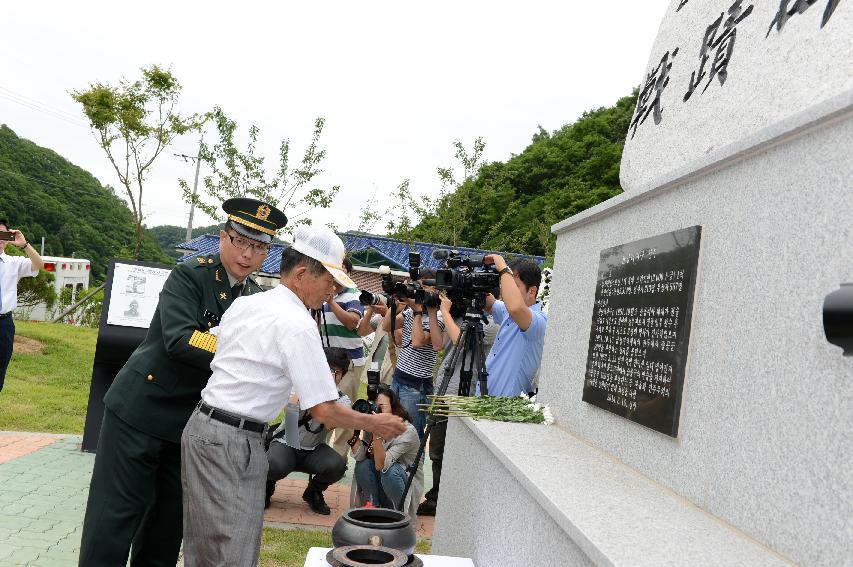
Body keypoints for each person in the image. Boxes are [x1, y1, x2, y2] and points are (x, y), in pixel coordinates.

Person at [180, 226, 406, 567]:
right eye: (329, 281)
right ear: (301, 273)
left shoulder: (249, 303)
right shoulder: (297, 324)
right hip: (233, 439)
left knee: (204, 546)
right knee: (233, 551)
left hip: (203, 429)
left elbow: (215, 347)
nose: (332, 290)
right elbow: (324, 409)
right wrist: (374, 422)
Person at [78, 198, 286, 567]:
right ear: (224, 237)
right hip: (141, 410)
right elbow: (180, 339)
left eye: (259, 246)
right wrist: (237, 355)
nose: (248, 254)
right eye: (241, 241)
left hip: (192, 425)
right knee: (114, 519)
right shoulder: (191, 274)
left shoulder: (257, 299)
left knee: (167, 527)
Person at [417, 293, 499, 516]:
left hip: (466, 395)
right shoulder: (460, 318)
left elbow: (461, 341)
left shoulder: (491, 324)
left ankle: (454, 498)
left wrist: (445, 311)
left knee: (456, 453)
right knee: (437, 450)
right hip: (444, 390)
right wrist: (434, 312)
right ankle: (435, 498)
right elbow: (440, 344)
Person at [264, 347, 351, 515]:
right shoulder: (297, 386)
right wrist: (305, 391)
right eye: (327, 370)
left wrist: (327, 396)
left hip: (314, 450)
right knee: (274, 465)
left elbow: (330, 425)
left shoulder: (343, 400)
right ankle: (268, 484)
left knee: (337, 466)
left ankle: (313, 492)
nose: (331, 376)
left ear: (342, 375)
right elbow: (289, 423)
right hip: (287, 443)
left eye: (336, 372)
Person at [382, 275, 445, 439]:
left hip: (416, 387)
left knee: (411, 434)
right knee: (393, 428)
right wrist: (396, 303)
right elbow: (387, 326)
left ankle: (414, 465)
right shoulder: (412, 310)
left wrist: (417, 311)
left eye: (423, 287)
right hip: (399, 378)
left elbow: (417, 341)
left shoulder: (437, 317)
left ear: (435, 290)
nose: (419, 291)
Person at [320, 257, 368, 458]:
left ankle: (337, 459)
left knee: (344, 412)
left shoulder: (355, 296)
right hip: (325, 363)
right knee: (321, 412)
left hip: (349, 366)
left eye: (341, 270)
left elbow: (352, 322)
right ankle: (317, 454)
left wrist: (331, 301)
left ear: (348, 273)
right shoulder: (322, 295)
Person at [480, 255, 548, 397]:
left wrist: (503, 269)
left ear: (532, 291)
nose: (505, 290)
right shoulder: (507, 311)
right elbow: (490, 303)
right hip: (486, 398)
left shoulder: (540, 322)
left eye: (514, 285)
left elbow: (516, 308)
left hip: (506, 407)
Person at [351, 385, 422, 517]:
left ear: (394, 409)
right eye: (374, 406)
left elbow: (381, 465)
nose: (375, 411)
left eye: (380, 407)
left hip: (401, 492)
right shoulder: (373, 424)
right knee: (363, 465)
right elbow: (360, 456)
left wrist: (376, 433)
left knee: (390, 471)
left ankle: (399, 516)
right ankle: (372, 508)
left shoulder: (406, 431)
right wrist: (354, 430)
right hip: (383, 488)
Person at [0, 219, 43, 392]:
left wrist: (24, 245)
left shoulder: (14, 262)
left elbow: (39, 264)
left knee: (1, 368)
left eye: (3, 234)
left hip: (4, 324)